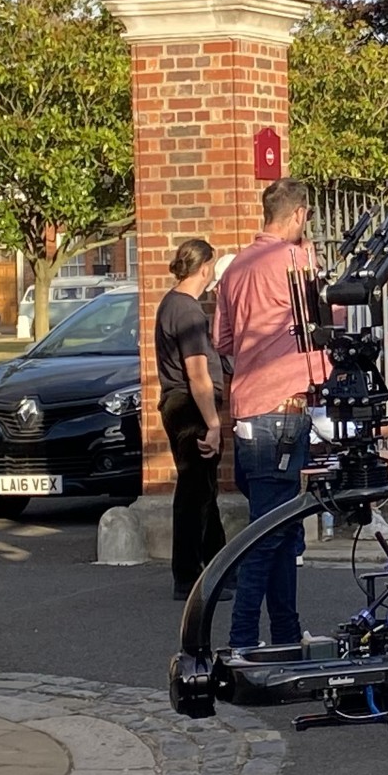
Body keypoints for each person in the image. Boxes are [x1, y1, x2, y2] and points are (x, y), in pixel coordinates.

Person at [214, 179, 329, 651]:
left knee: (281, 532)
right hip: (282, 412)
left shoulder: (236, 267)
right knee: (266, 537)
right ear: (299, 215)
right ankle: (242, 639)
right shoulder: (295, 261)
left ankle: (283, 633)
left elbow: (222, 342)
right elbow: (322, 326)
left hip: (248, 413)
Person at [156, 238, 227, 601]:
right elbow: (197, 374)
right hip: (191, 408)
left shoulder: (171, 304)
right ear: (204, 267)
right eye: (212, 265)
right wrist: (213, 424)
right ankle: (187, 577)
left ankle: (218, 569)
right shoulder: (188, 311)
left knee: (204, 492)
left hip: (179, 405)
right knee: (194, 494)